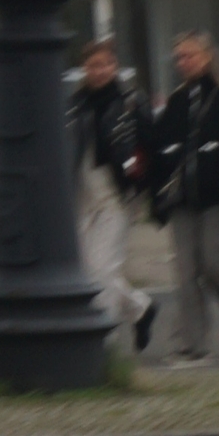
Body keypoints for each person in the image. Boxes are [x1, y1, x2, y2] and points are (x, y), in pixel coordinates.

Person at [150, 31, 219, 362]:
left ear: (207, 57)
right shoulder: (176, 102)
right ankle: (191, 343)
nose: (184, 63)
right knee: (186, 272)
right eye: (179, 58)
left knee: (215, 265)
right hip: (182, 199)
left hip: (216, 197)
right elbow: (161, 149)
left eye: (190, 56)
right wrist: (158, 194)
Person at [70, 38, 157, 354]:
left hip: (117, 194)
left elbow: (149, 143)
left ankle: (102, 344)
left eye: (106, 64)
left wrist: (142, 179)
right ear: (84, 68)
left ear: (115, 66)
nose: (100, 71)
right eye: (94, 65)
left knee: (102, 267)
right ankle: (139, 308)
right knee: (82, 269)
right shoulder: (75, 103)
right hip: (82, 194)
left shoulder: (130, 101)